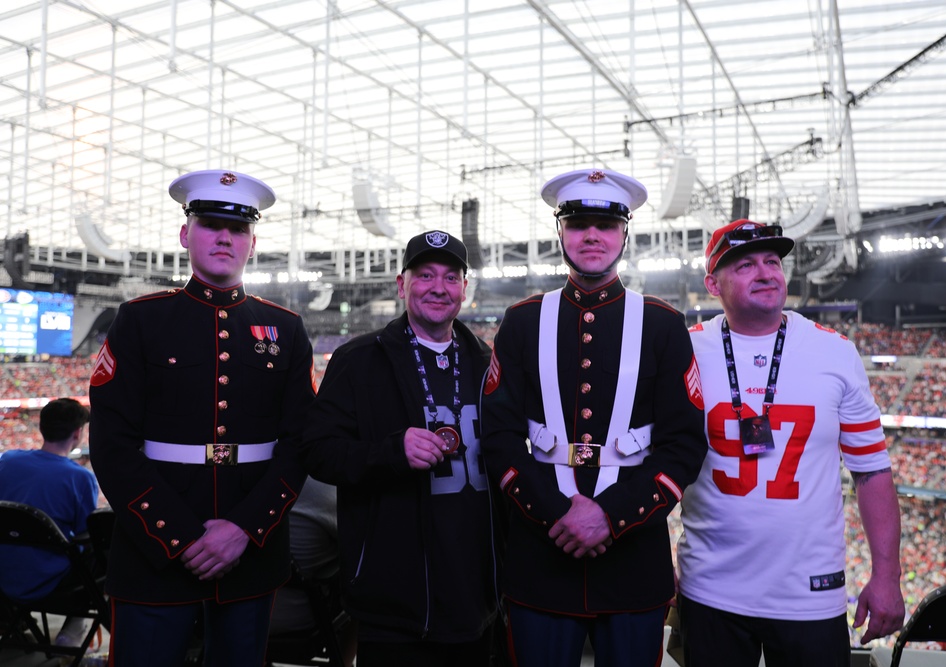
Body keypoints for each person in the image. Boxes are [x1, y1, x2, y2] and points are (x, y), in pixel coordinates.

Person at [480, 168, 707, 667]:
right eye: (577, 223)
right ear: (559, 231)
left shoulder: (664, 325)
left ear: (625, 233)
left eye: (605, 226)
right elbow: (497, 436)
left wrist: (610, 515)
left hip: (632, 555)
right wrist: (557, 513)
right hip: (542, 554)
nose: (591, 236)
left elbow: (684, 444)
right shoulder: (522, 320)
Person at [88, 169, 316, 666]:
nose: (225, 238)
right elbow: (111, 444)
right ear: (186, 234)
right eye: (212, 224)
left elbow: (300, 442)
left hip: (250, 549)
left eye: (237, 230)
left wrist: (243, 530)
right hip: (154, 547)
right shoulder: (140, 320)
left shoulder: (286, 328)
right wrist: (181, 535)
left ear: (252, 243)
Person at [677, 219, 905, 666]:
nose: (765, 273)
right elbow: (658, 460)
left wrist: (887, 576)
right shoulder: (684, 350)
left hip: (811, 592)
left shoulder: (835, 351)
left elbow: (872, 472)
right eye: (744, 265)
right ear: (712, 284)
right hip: (709, 588)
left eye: (772, 261)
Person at [299, 230, 497, 667]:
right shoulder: (358, 360)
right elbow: (316, 451)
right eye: (424, 275)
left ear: (465, 288)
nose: (438, 288)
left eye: (450, 277)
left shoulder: (487, 362)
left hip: (475, 594)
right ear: (401, 283)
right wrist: (391, 452)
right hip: (393, 600)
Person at [0, 397, 100, 647]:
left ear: (41, 427)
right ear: (78, 434)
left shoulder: (7, 461)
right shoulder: (80, 478)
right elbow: (86, 536)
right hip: (50, 584)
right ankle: (73, 630)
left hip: (3, 574)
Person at [268, 476, 358, 666]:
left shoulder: (236, 481)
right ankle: (344, 662)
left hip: (229, 618)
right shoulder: (326, 488)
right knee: (365, 589)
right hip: (301, 620)